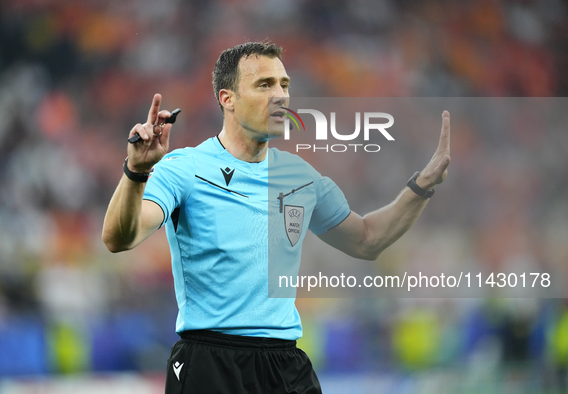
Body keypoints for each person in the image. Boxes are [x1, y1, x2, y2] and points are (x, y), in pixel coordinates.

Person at [102, 41, 450, 394]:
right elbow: (120, 238)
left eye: (284, 84)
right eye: (265, 85)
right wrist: (135, 172)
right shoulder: (184, 168)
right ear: (228, 99)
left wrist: (420, 187)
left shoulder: (300, 177)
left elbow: (366, 239)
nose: (281, 95)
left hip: (285, 364)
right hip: (210, 362)